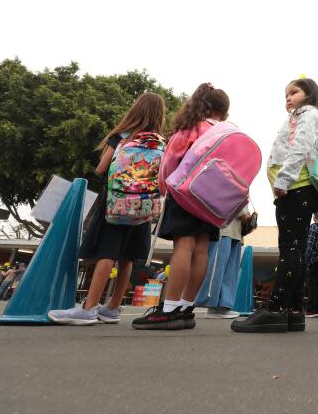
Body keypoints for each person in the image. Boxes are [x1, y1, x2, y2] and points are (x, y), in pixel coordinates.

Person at [48, 93, 165, 325]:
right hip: (144, 206)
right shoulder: (161, 141)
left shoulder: (122, 135)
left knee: (107, 252)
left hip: (115, 201)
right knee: (128, 256)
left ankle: (88, 308)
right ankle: (111, 308)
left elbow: (101, 168)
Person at [232, 78, 318, 333]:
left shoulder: (308, 115)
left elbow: (300, 147)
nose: (287, 97)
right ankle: (294, 311)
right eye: (285, 94)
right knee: (293, 248)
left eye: (293, 92)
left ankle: (275, 310)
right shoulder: (305, 115)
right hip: (297, 189)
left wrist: (283, 180)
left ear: (308, 94)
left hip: (295, 188)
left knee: (291, 248)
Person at [132, 84, 229, 330]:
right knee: (201, 250)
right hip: (212, 198)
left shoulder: (191, 129)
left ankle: (169, 308)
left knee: (183, 247)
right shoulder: (225, 132)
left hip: (186, 193)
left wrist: (165, 189)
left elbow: (169, 164)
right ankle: (186, 307)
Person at [196, 209, 254, 319]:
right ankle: (212, 304)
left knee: (230, 272)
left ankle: (223, 306)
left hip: (236, 231)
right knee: (219, 268)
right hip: (223, 228)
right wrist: (243, 214)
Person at [304, 220, 318, 317]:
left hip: (313, 259)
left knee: (311, 284)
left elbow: (309, 244)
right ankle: (317, 309)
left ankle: (310, 310)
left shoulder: (313, 227)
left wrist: (305, 259)